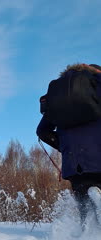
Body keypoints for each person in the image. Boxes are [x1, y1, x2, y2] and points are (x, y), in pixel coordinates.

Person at [37, 63, 101, 225]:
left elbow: (42, 131)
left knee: (85, 213)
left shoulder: (59, 95)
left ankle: (85, 235)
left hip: (74, 164)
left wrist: (64, 147)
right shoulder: (97, 83)